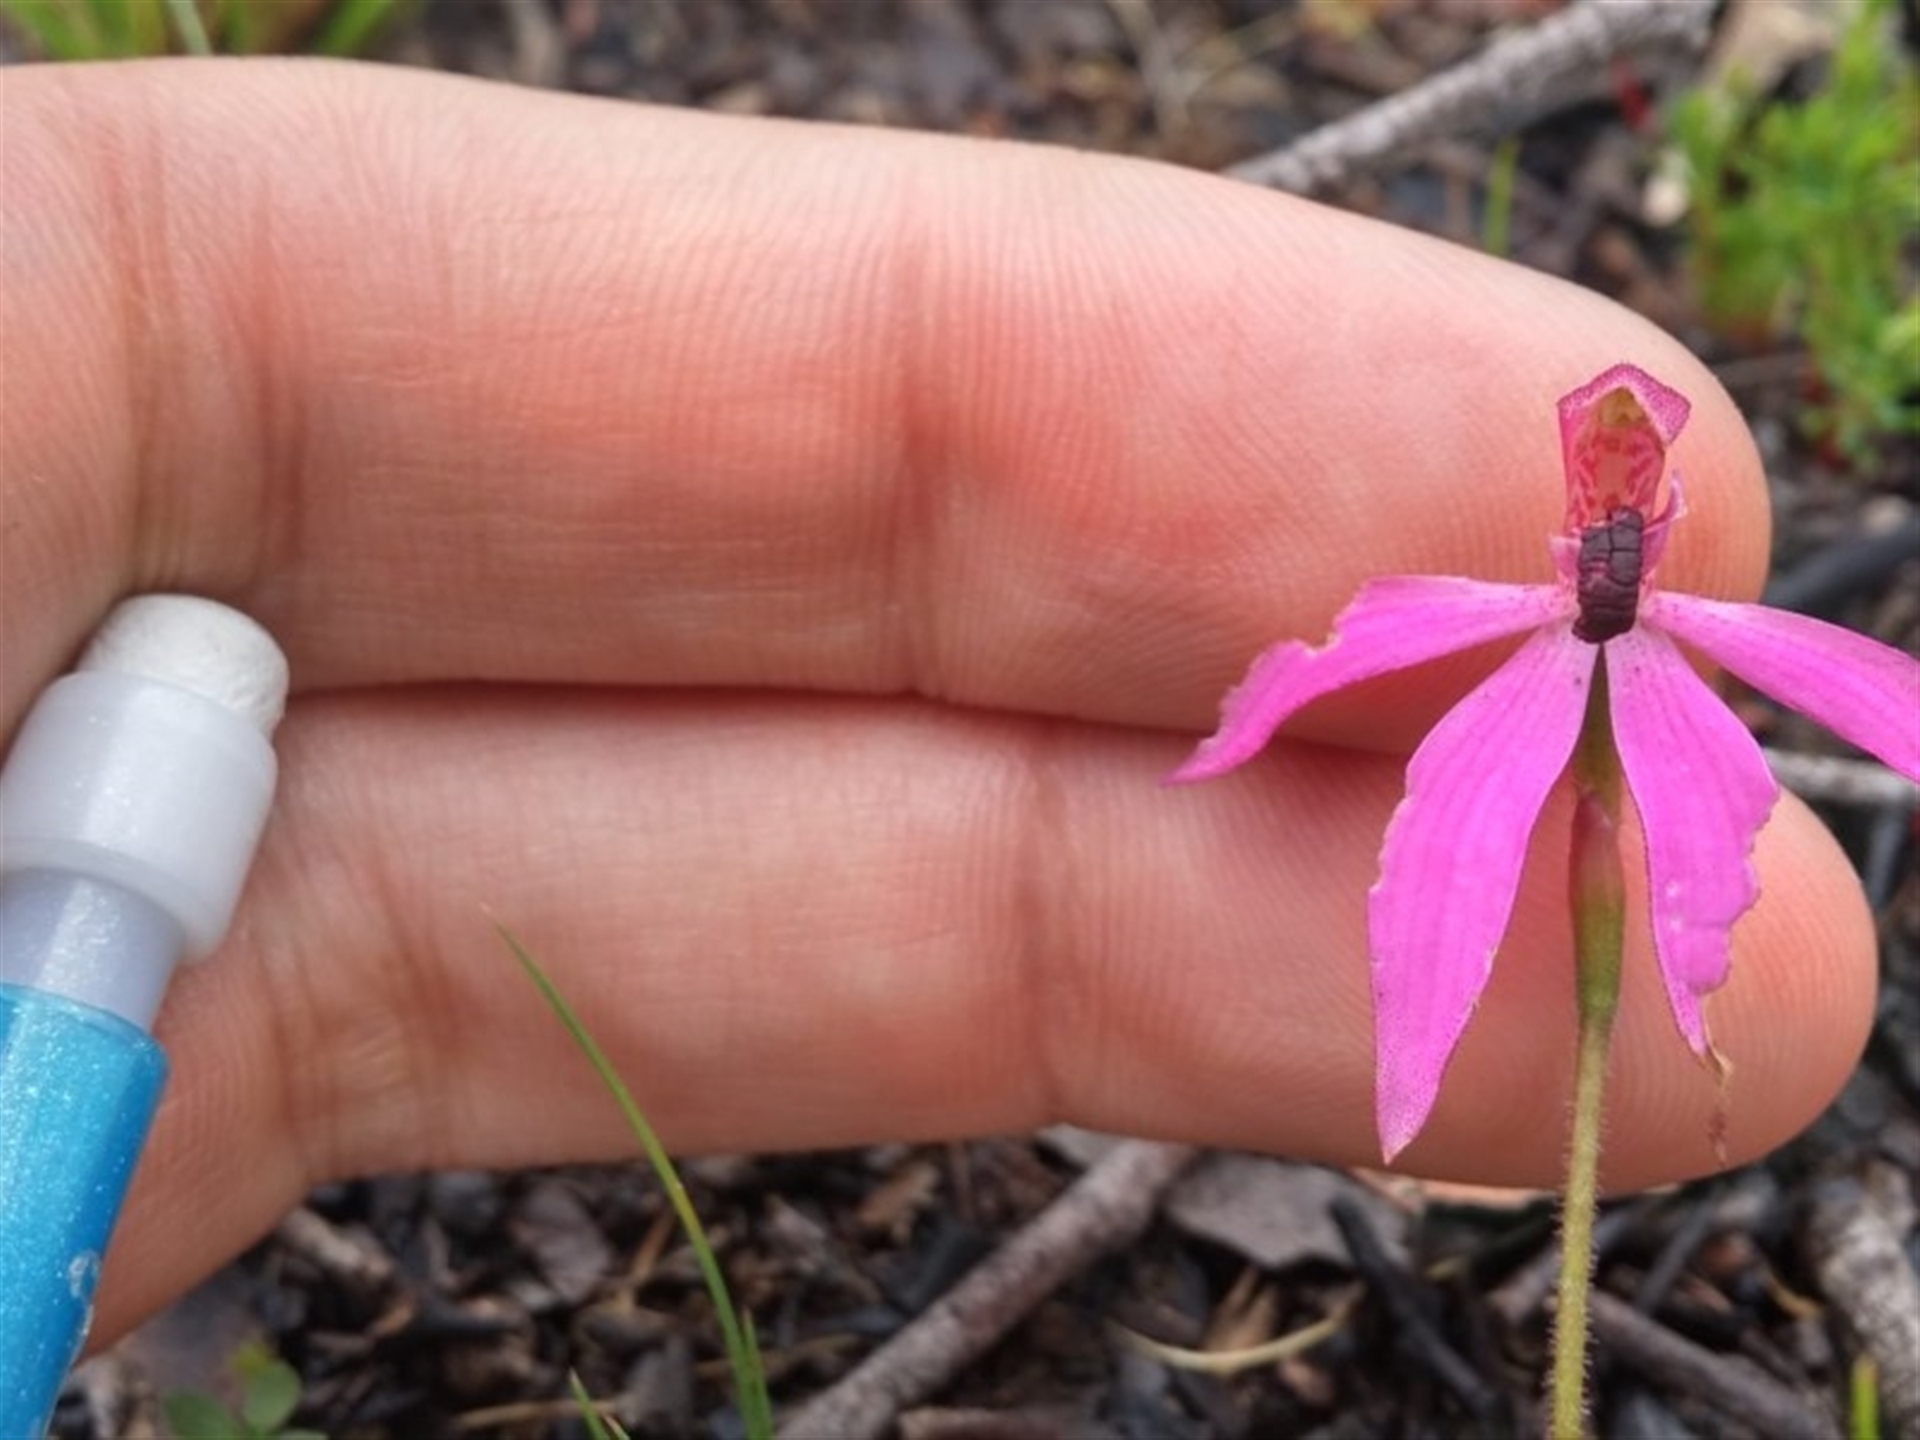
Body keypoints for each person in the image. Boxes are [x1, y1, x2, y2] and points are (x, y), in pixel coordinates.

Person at [2, 59, 1875, 1354]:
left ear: (1631, 509)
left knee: (1676, 933)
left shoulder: (1641, 624)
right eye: (1601, 470)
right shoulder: (1494, 617)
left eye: (1627, 479)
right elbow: (1289, 699)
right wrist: (1236, 741)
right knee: (1481, 915)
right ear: (1582, 494)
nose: (1616, 481)